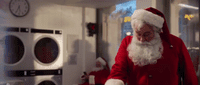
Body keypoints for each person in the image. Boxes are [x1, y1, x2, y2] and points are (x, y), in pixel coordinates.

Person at [105, 7, 198, 85]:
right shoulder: (127, 42)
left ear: (157, 31)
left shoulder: (176, 43)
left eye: (146, 34)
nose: (141, 39)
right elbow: (118, 70)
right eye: (138, 34)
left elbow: (189, 75)